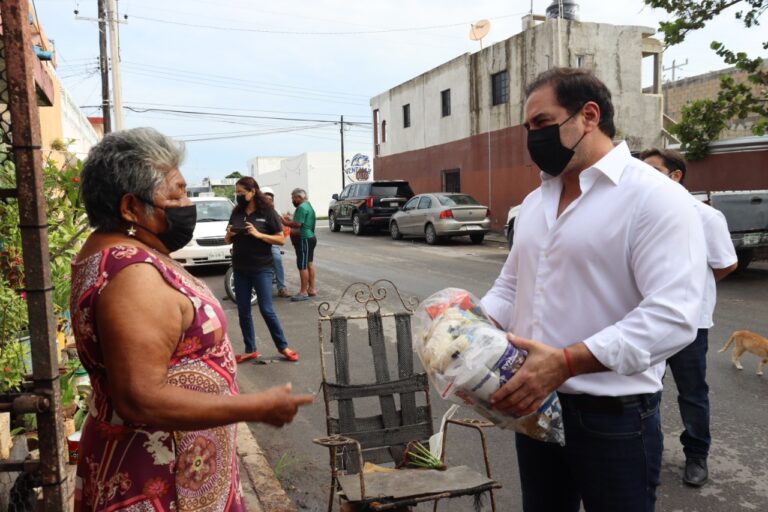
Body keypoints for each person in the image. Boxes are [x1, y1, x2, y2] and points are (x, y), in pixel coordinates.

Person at [481, 68, 707, 511]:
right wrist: (470, 325)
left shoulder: (654, 198)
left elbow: (673, 316)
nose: (533, 138)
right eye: (528, 129)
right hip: (536, 407)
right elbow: (512, 284)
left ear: (588, 115)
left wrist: (566, 362)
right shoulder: (534, 203)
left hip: (615, 419)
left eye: (543, 123)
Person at [71, 128, 313, 511]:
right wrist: (255, 407)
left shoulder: (127, 252)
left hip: (178, 469)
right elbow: (140, 398)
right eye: (176, 193)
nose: (187, 203)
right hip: (160, 480)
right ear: (131, 208)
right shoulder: (130, 275)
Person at [640, 147, 737, 487]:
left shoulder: (705, 216)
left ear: (675, 175)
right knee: (644, 389)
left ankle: (697, 455)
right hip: (647, 321)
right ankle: (645, 450)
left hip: (690, 324)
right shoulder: (642, 211)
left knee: (692, 393)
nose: (644, 174)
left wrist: (695, 291)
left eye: (652, 169)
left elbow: (726, 263)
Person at [224, 177, 299, 362]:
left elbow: (280, 239)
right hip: (240, 269)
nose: (239, 196)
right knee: (243, 310)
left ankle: (283, 347)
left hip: (261, 268)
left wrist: (258, 234)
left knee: (266, 309)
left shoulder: (268, 212)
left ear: (253, 191)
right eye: (237, 193)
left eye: (242, 193)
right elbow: (227, 240)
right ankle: (250, 349)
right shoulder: (237, 212)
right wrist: (229, 234)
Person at [281, 188, 317, 302]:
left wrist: (284, 221)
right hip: (310, 237)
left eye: (293, 198)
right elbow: (302, 220)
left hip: (304, 238)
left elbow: (297, 224)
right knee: (309, 263)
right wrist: (290, 218)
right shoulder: (308, 205)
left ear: (299, 197)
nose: (292, 200)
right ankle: (311, 289)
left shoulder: (301, 207)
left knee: (302, 265)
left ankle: (303, 292)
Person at [260, 187, 290, 298]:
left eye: (270, 198)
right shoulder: (254, 211)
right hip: (257, 242)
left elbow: (281, 230)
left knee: (277, 259)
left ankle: (281, 287)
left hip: (271, 242)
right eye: (265, 198)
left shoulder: (275, 212)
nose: (267, 201)